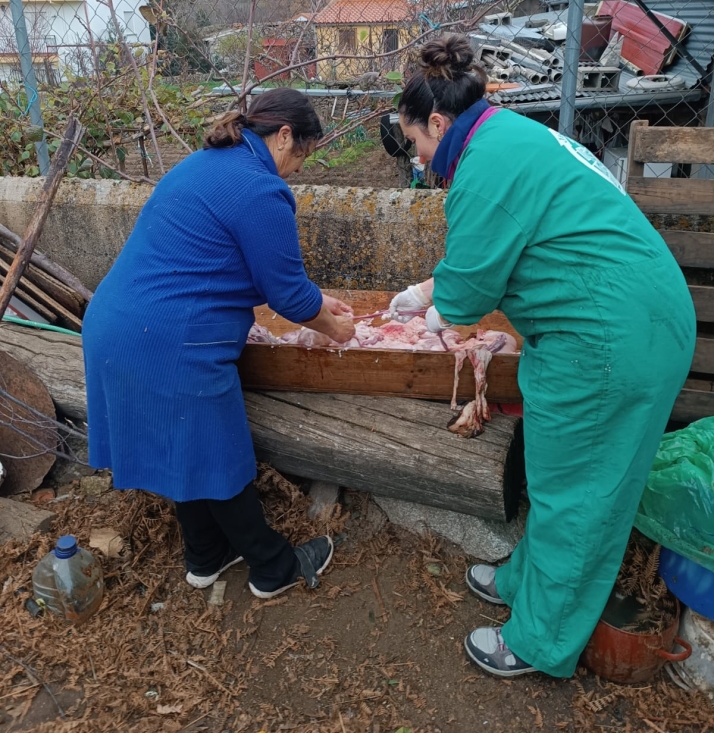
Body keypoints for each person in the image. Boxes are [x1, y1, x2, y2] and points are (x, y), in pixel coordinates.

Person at [389, 34, 695, 679]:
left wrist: (435, 303)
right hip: (623, 322)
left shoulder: (482, 170)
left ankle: (538, 640)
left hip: (609, 341)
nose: (416, 158)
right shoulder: (506, 137)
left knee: (579, 496)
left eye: (414, 141)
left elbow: (470, 292)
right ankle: (525, 581)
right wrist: (424, 293)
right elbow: (502, 246)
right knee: (559, 481)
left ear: (438, 123)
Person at [83, 90, 356, 599]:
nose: (298, 170)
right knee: (220, 454)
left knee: (189, 445)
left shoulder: (205, 164)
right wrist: (332, 325)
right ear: (283, 137)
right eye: (302, 156)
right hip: (169, 337)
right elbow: (288, 292)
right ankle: (273, 568)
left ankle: (206, 556)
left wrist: (316, 305)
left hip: (118, 323)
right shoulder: (259, 188)